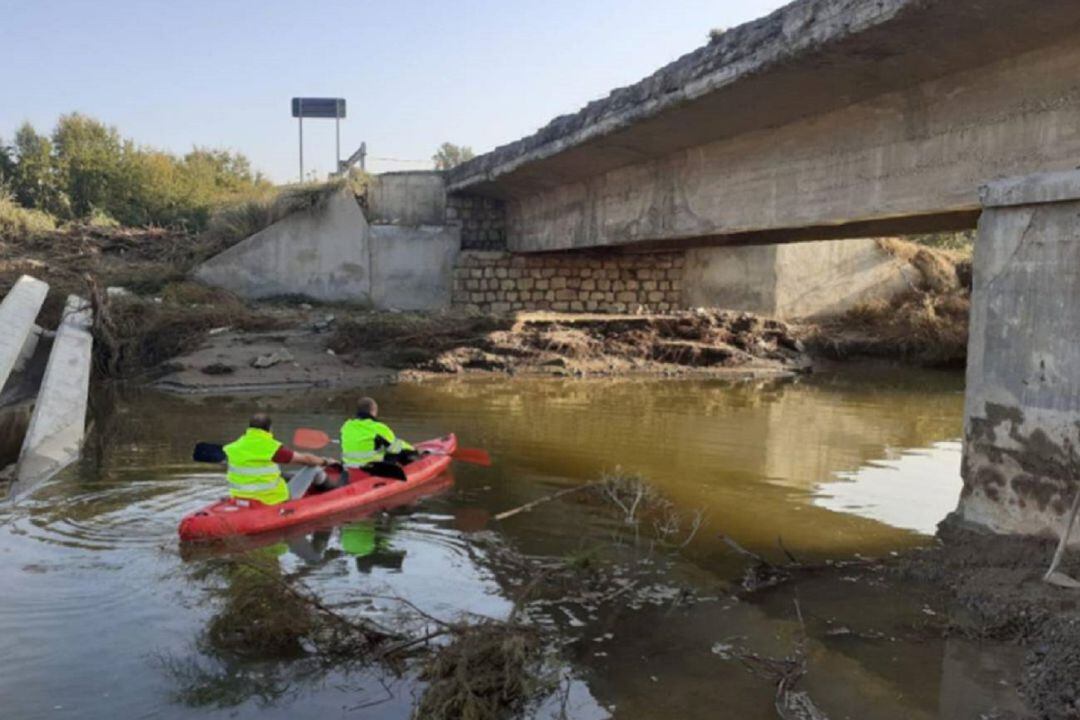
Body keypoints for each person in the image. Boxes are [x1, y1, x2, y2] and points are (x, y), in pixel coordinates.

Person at [224, 413, 332, 505]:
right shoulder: (272, 448)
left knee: (281, 474)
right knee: (315, 469)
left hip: (240, 497)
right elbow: (307, 459)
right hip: (271, 500)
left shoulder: (233, 447)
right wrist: (325, 461)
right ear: (270, 428)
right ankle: (333, 493)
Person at [339, 397, 416, 469]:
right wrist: (413, 450)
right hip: (371, 469)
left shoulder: (346, 426)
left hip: (349, 467)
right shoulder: (379, 427)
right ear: (373, 411)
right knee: (397, 451)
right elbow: (395, 447)